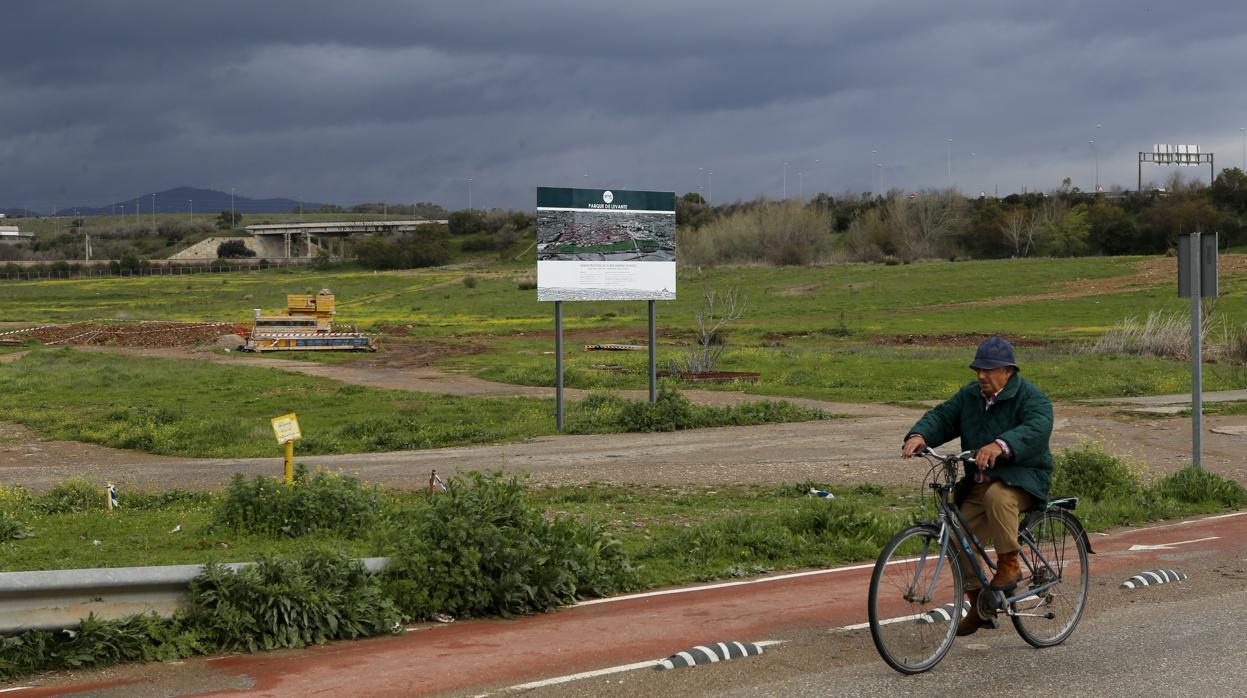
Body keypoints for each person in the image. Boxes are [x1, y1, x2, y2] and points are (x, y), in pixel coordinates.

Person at [900, 336, 1053, 636]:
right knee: (957, 539)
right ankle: (979, 604)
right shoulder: (970, 396)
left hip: (1023, 478)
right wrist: (919, 435)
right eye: (978, 370)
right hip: (979, 482)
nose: (981, 375)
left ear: (1008, 371)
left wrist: (1001, 445)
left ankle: (1009, 564)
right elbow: (943, 417)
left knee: (998, 497)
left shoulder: (1032, 398)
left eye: (988, 369)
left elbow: (1036, 428)